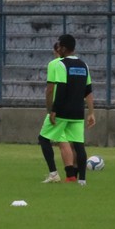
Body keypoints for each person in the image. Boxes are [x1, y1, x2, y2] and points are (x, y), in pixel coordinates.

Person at [39, 34, 95, 185]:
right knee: (78, 144)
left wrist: (53, 110)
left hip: (62, 111)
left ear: (63, 48)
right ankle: (82, 180)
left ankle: (53, 173)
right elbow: (88, 90)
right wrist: (91, 112)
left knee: (43, 138)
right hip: (78, 112)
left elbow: (59, 88)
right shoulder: (84, 65)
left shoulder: (60, 64)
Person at [40, 42, 76, 183]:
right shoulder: (74, 64)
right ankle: (71, 175)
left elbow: (50, 89)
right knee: (64, 140)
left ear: (58, 51)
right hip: (72, 107)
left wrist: (50, 110)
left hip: (57, 108)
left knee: (43, 138)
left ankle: (53, 173)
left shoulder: (55, 64)